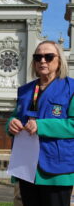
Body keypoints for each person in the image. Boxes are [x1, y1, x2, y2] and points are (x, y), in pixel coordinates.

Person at [7, 40, 74, 206]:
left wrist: (41, 126)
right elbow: (15, 117)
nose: (42, 61)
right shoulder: (25, 90)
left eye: (48, 56)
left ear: (59, 60)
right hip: (26, 167)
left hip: (56, 171)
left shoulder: (71, 88)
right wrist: (10, 123)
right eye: (38, 57)